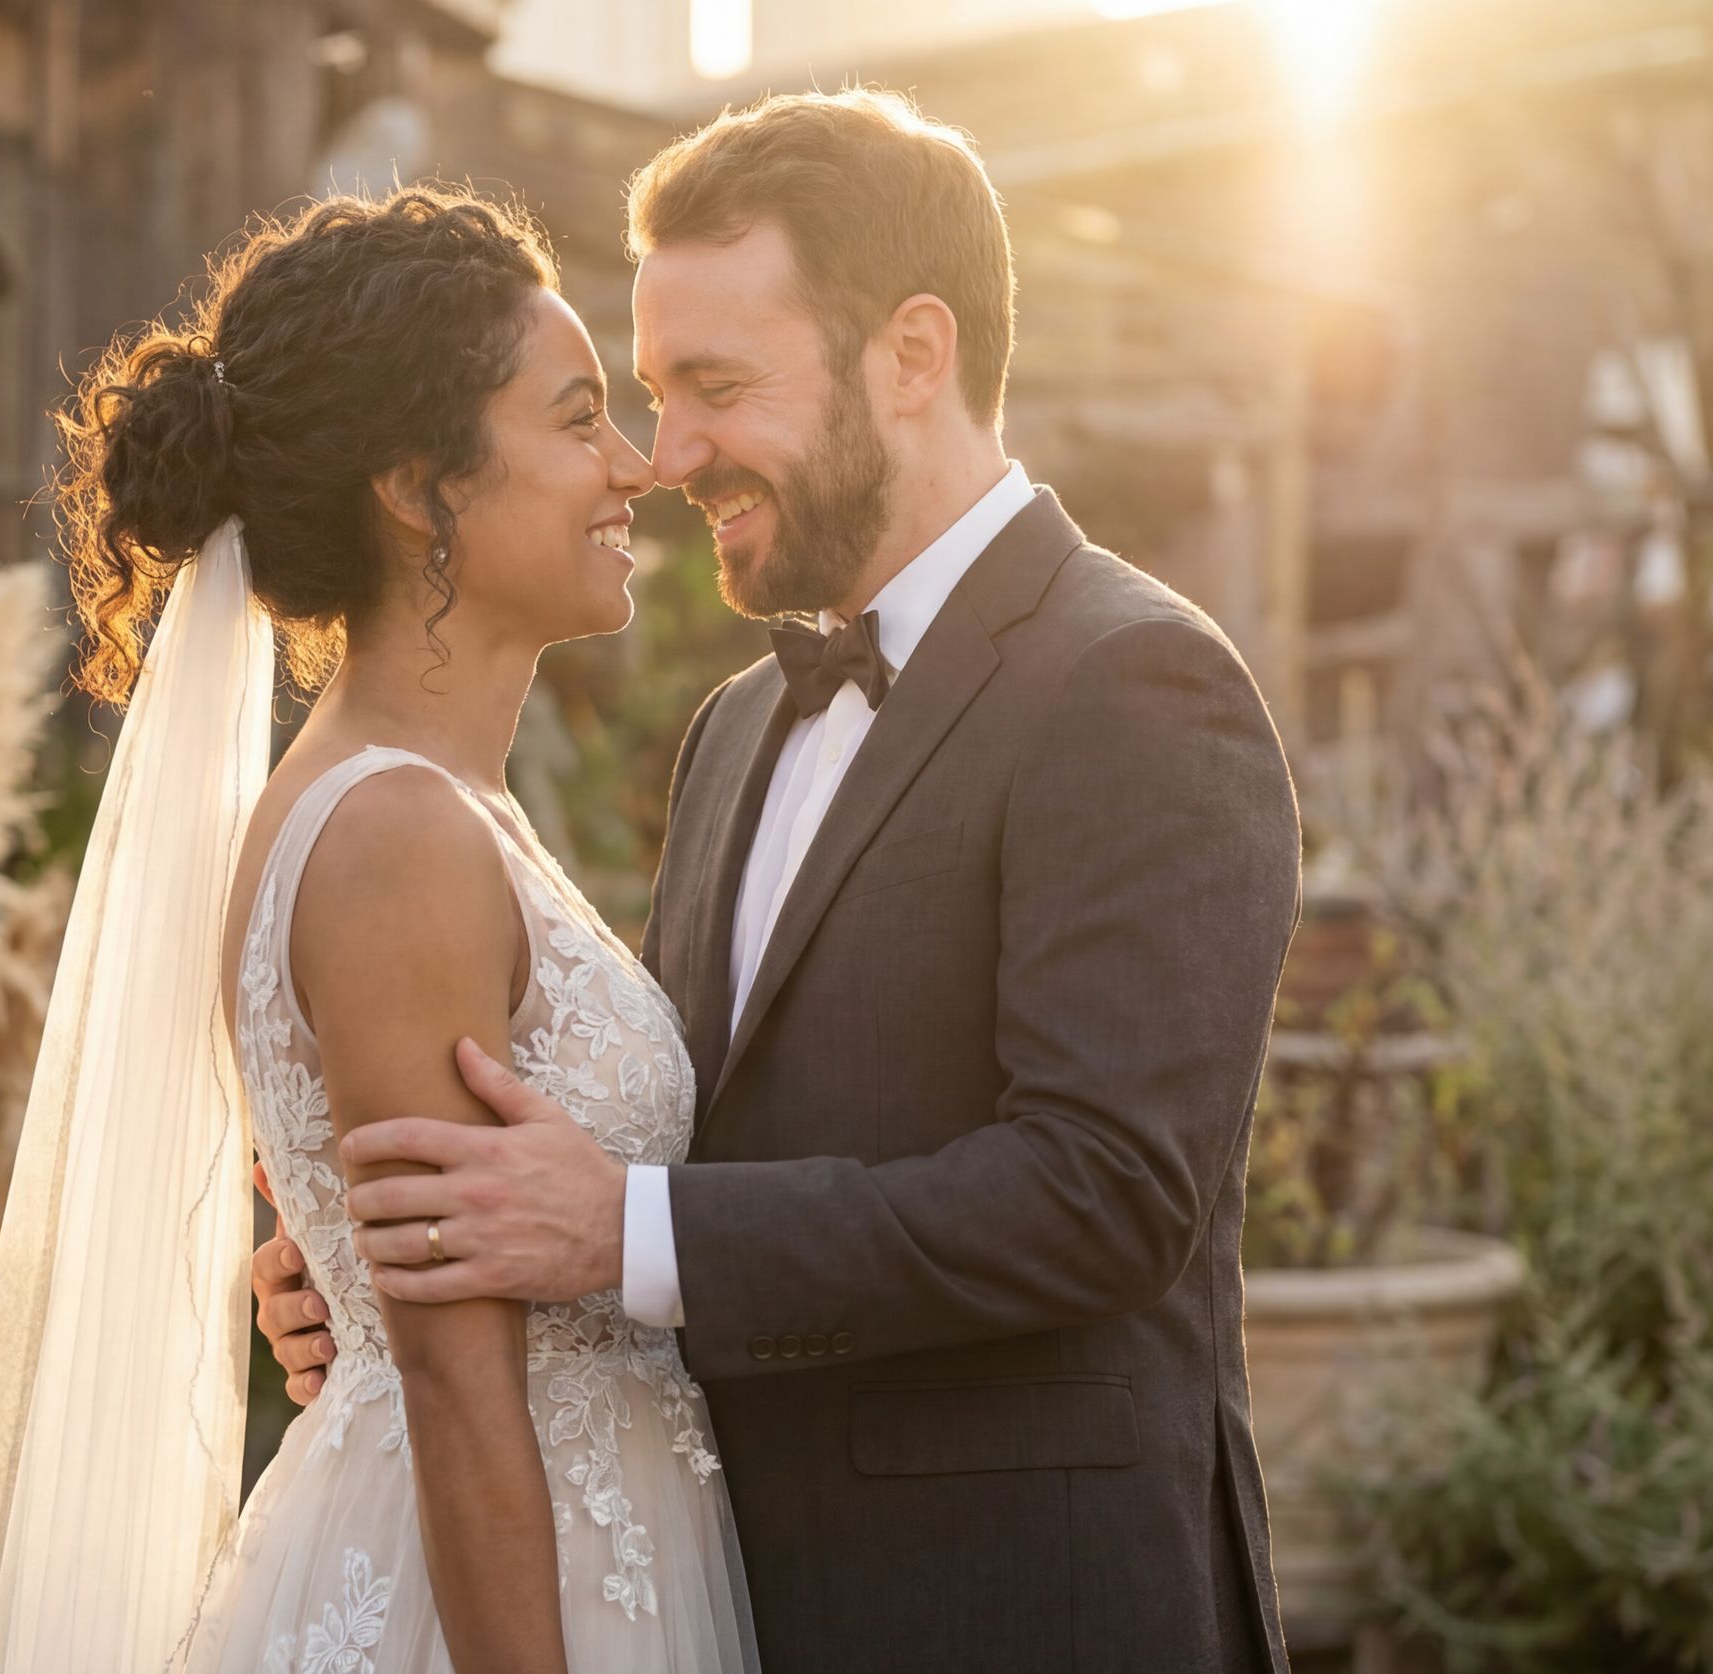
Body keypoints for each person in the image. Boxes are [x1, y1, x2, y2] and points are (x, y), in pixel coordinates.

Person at [258, 91, 1304, 1673]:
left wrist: (616, 1230)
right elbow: (694, 1129)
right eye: (648, 392)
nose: (668, 458)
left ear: (913, 355)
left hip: (1027, 1617)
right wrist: (390, 1256)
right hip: (734, 1607)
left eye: (714, 388)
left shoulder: (1138, 682)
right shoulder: (737, 730)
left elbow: (1109, 1193)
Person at [0, 186, 757, 1674]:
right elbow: (455, 1383)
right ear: (420, 486)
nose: (632, 468)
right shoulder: (395, 835)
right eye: (576, 422)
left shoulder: (432, 808)